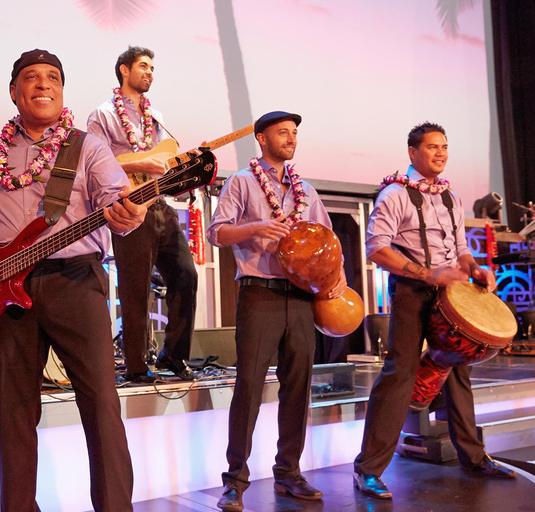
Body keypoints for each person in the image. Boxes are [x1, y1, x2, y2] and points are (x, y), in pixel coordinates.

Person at [0, 49, 146, 511]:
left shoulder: (89, 146)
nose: (43, 84)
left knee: (101, 407)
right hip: (5, 290)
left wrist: (128, 214)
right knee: (14, 416)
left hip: (74, 281)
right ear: (15, 91)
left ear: (62, 91)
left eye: (53, 77)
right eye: (32, 78)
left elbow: (120, 205)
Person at [352, 122, 516, 500]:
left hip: (451, 293)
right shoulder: (394, 194)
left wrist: (474, 268)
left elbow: (460, 247)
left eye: (445, 147)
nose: (441, 153)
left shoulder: (450, 198)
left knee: (458, 370)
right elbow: (376, 249)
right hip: (411, 290)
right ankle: (369, 469)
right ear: (413, 152)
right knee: (400, 373)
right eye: (432, 147)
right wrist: (428, 273)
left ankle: (473, 457)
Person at [207, 111, 347, 510]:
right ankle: (234, 480)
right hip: (259, 294)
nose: (291, 138)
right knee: (248, 386)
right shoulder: (241, 182)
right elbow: (217, 232)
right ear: (262, 140)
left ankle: (289, 473)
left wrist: (336, 279)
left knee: (298, 386)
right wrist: (257, 228)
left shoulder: (306, 189)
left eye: (294, 133)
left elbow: (327, 241)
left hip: (301, 298)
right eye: (282, 132)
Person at [87, 45, 197, 383]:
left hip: (160, 203)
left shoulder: (155, 118)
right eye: (143, 66)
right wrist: (139, 162)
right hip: (129, 206)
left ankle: (173, 355)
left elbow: (162, 161)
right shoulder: (103, 115)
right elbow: (94, 161)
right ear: (124, 70)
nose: (149, 72)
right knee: (136, 289)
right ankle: (136, 367)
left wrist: (185, 173)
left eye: (152, 68)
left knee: (186, 275)